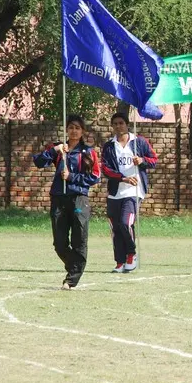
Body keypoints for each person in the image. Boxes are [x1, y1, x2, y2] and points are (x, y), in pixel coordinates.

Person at [32, 115, 101, 289]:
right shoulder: (59, 149)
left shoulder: (88, 152)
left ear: (82, 131)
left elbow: (94, 177)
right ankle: (74, 266)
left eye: (77, 128)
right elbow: (39, 162)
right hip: (59, 198)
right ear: (66, 130)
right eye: (71, 127)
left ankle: (72, 278)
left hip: (79, 199)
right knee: (60, 242)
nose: (74, 131)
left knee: (79, 239)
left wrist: (72, 177)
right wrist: (54, 150)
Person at [101, 112, 158, 274]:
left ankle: (131, 254)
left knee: (126, 223)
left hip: (134, 191)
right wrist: (122, 178)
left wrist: (142, 161)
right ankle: (119, 261)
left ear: (127, 124)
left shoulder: (139, 142)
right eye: (115, 124)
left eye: (121, 123)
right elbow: (106, 169)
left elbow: (154, 159)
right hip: (115, 192)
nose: (119, 126)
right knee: (116, 227)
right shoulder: (109, 146)